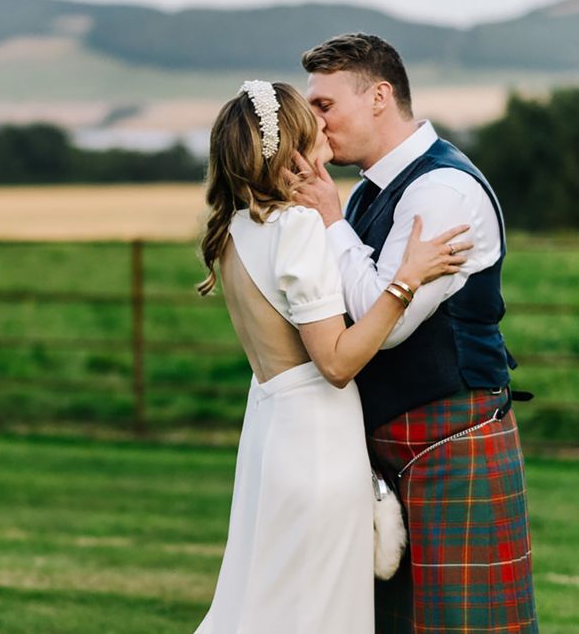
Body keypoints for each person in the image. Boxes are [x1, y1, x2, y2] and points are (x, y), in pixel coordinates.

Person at [193, 79, 471, 633]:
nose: (324, 125)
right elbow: (337, 364)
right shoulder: (295, 228)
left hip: (272, 440)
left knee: (266, 606)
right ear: (291, 142)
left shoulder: (234, 228)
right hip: (317, 447)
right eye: (312, 117)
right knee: (319, 615)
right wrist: (405, 281)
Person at [289, 33, 538, 633]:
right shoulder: (369, 191)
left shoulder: (441, 191)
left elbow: (387, 320)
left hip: (450, 443)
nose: (314, 124)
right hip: (397, 445)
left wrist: (328, 218)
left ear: (379, 96)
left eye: (324, 106)